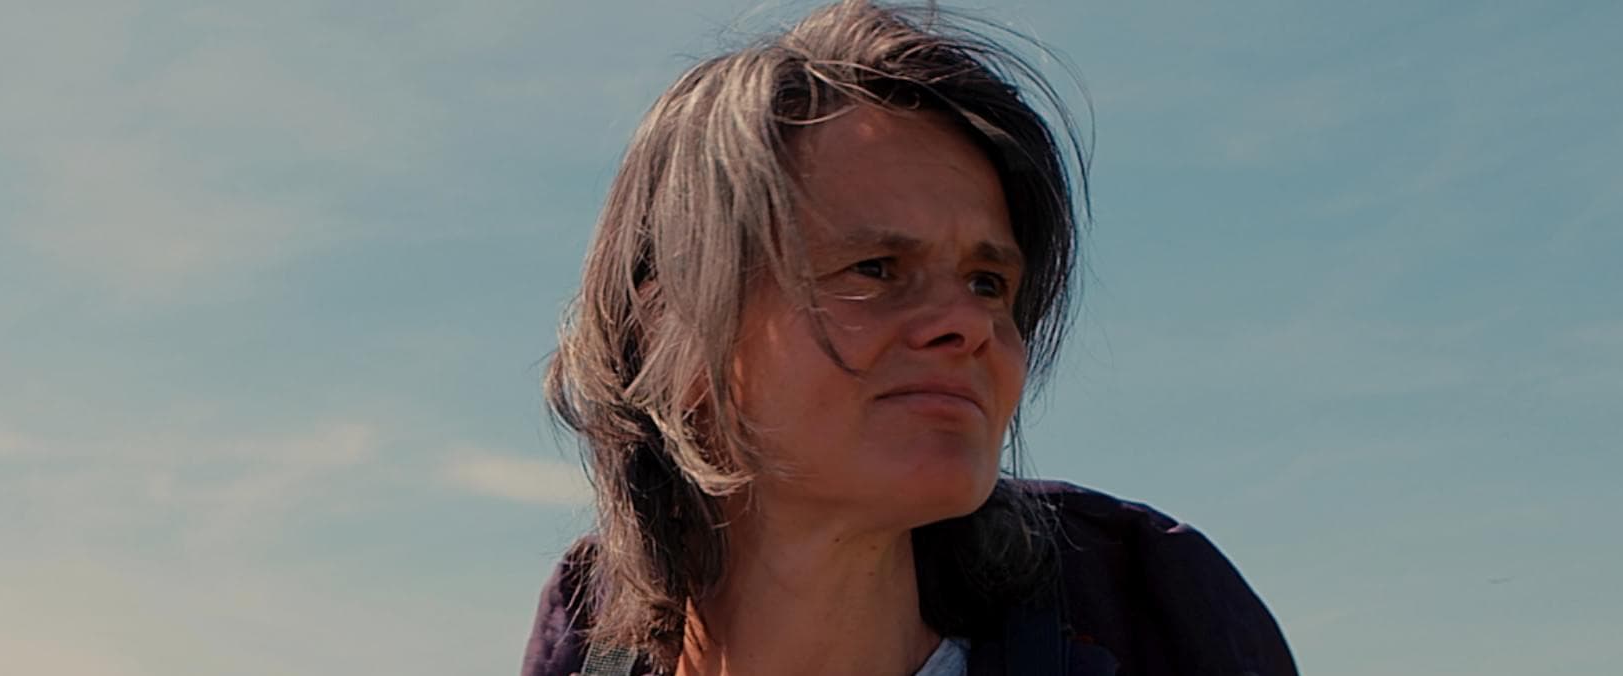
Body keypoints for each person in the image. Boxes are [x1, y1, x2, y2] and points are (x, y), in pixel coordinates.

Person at [524, 2, 1295, 674]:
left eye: (988, 282)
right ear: (674, 334)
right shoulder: (585, 640)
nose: (968, 324)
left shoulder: (1160, 622)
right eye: (876, 269)